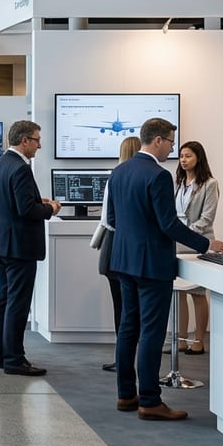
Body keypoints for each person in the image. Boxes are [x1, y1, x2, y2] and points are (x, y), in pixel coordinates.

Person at [108, 118, 223, 420]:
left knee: (128, 328)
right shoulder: (158, 176)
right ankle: (150, 400)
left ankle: (126, 395)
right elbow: (168, 224)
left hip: (124, 261)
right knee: (151, 332)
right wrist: (207, 243)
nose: (174, 149)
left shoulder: (120, 171)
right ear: (159, 140)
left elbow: (112, 217)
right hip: (152, 266)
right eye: (172, 142)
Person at [0, 120, 60, 376]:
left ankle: (2, 356)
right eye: (37, 139)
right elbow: (26, 210)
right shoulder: (20, 168)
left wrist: (38, 201)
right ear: (25, 140)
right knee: (17, 302)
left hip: (0, 243)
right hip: (20, 246)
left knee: (3, 299)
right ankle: (15, 359)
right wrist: (50, 208)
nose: (40, 145)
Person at [99, 136, 142, 372]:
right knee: (131, 309)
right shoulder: (143, 178)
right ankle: (128, 360)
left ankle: (123, 359)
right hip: (128, 250)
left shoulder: (115, 177)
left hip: (114, 248)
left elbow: (107, 219)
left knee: (122, 307)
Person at [174, 140, 219, 356]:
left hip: (197, 242)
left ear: (198, 158)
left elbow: (207, 218)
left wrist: (187, 234)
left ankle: (199, 340)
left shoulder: (209, 184)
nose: (183, 160)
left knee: (198, 293)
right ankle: (181, 340)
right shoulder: (179, 183)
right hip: (177, 243)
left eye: (188, 155)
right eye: (182, 156)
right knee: (179, 293)